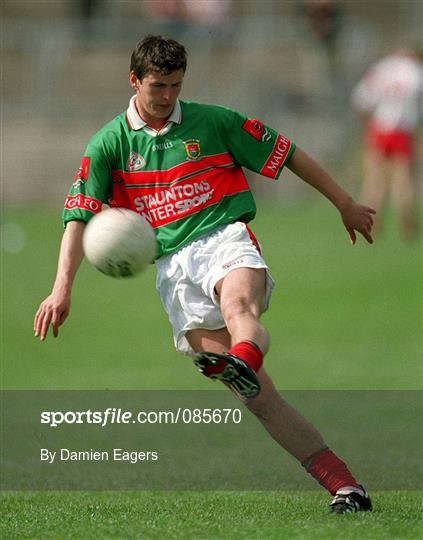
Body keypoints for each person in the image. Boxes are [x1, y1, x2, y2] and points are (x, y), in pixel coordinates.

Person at [34, 35, 375, 513]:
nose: (168, 96)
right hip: (172, 269)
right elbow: (78, 217)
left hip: (224, 237)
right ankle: (346, 487)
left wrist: (344, 203)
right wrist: (61, 288)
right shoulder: (109, 142)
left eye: (175, 85)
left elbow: (288, 151)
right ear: (134, 81)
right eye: (158, 86)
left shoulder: (214, 121)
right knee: (259, 399)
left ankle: (244, 355)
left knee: (239, 307)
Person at [352, 46, 422, 239]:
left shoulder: (382, 68)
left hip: (379, 128)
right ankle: (407, 225)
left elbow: (362, 99)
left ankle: (371, 224)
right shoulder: (416, 71)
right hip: (402, 130)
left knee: (374, 181)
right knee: (403, 180)